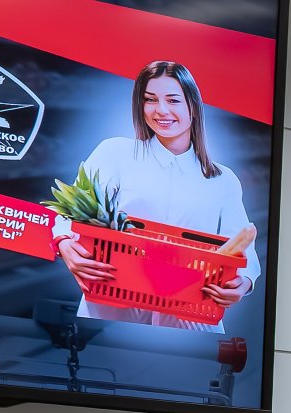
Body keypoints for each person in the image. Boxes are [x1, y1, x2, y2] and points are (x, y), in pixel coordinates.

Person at [56, 60, 257, 331]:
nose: (161, 110)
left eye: (173, 100)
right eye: (150, 100)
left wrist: (243, 283)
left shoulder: (222, 180)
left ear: (193, 106)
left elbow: (243, 249)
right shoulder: (115, 153)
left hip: (189, 324)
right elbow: (67, 212)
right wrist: (65, 244)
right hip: (111, 315)